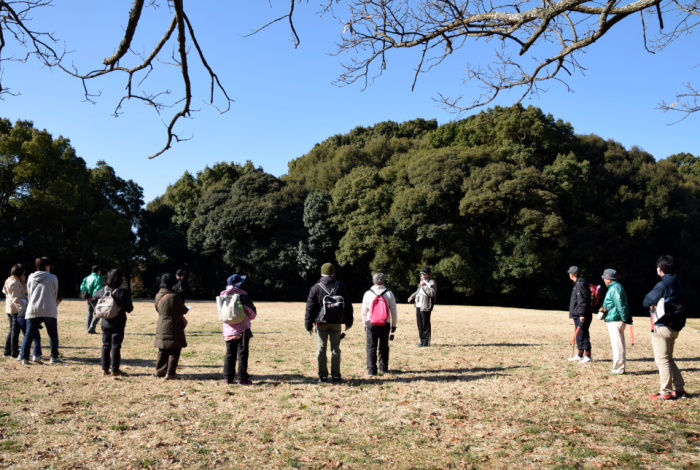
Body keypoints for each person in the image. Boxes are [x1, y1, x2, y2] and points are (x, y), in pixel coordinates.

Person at [643, 255, 688, 400]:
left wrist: (654, 304)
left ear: (660, 269)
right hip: (675, 324)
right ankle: (679, 389)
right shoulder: (676, 282)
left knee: (661, 360)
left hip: (662, 325)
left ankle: (665, 392)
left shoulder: (663, 284)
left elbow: (647, 301)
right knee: (668, 358)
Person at [304, 263, 353, 383]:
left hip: (321, 323)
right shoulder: (341, 286)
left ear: (321, 274)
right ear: (334, 274)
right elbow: (348, 305)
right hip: (337, 322)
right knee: (335, 348)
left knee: (321, 349)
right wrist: (348, 321)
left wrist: (308, 325)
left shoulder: (315, 287)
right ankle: (336, 375)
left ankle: (322, 375)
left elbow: (310, 308)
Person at [91, 269, 134, 377]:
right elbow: (129, 308)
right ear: (120, 279)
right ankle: (115, 370)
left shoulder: (102, 290)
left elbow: (94, 300)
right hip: (118, 322)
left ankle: (104, 369)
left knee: (105, 345)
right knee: (115, 346)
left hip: (105, 322)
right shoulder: (122, 292)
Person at [21, 257, 61, 365]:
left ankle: (24, 358)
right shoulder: (53, 277)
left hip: (33, 308)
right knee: (52, 335)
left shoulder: (30, 277)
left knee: (28, 335)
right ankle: (53, 357)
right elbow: (55, 293)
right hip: (49, 308)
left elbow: (28, 293)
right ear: (47, 266)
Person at [219, 274, 256, 385]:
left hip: (228, 331)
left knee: (230, 354)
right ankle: (242, 378)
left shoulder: (222, 296)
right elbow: (253, 314)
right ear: (240, 285)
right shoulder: (243, 297)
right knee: (242, 355)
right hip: (242, 330)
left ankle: (228, 378)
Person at [361, 272, 398, 376]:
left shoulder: (368, 294)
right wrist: (393, 325)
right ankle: (383, 367)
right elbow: (393, 311)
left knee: (371, 346)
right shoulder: (389, 294)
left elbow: (363, 312)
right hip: (385, 322)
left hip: (370, 322)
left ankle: (371, 370)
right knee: (384, 346)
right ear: (384, 281)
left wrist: (365, 324)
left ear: (373, 282)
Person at [154, 273, 189, 379]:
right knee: (175, 349)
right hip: (174, 325)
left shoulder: (158, 295)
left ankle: (160, 370)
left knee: (162, 349)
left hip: (161, 324)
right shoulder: (174, 296)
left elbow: (157, 309)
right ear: (172, 285)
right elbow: (183, 310)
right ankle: (170, 373)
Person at [598, 269, 631, 375]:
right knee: (617, 344)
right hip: (616, 318)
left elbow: (620, 305)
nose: (603, 279)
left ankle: (618, 368)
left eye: (604, 277)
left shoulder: (614, 288)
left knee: (617, 345)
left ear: (609, 279)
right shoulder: (615, 287)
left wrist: (624, 317)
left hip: (615, 319)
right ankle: (618, 367)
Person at [567, 266, 592, 363]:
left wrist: (582, 314)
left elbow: (582, 300)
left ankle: (588, 356)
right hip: (578, 313)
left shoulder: (580, 284)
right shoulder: (578, 283)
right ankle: (579, 354)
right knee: (579, 334)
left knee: (583, 333)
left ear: (572, 274)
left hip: (582, 314)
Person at [408, 267, 437, 347]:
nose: (423, 275)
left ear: (429, 274)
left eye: (424, 273)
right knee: (420, 324)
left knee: (425, 324)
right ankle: (422, 341)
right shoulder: (422, 281)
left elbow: (432, 293)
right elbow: (418, 291)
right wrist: (412, 297)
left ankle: (426, 342)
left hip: (426, 306)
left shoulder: (432, 282)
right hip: (419, 305)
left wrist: (424, 285)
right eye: (422, 273)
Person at [3, 264, 27, 359]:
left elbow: (24, 291)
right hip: (15, 309)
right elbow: (16, 298)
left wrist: (23, 281)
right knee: (15, 331)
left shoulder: (15, 281)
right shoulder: (12, 282)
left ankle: (7, 350)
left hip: (14, 308)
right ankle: (13, 352)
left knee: (13, 330)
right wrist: (25, 306)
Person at [80, 265, 104, 334]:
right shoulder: (99, 278)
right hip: (94, 298)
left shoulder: (86, 278)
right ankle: (91, 328)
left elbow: (82, 287)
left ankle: (88, 329)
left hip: (87, 298)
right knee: (98, 313)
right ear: (99, 271)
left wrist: (86, 296)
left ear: (91, 271)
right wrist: (93, 297)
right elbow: (98, 288)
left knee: (89, 314)